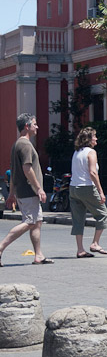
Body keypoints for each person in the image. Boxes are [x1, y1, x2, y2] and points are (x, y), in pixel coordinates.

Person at [0, 114, 53, 266]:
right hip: (30, 191)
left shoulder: (17, 144)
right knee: (30, 222)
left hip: (24, 191)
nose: (37, 127)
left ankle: (39, 255)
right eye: (35, 124)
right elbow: (26, 168)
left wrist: (11, 194)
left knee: (37, 222)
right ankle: (1, 247)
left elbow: (13, 171)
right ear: (27, 126)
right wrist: (39, 189)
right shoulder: (25, 145)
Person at [70, 127, 107, 258]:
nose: (96, 139)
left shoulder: (76, 152)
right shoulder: (91, 152)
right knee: (103, 215)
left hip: (73, 188)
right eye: (94, 136)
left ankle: (80, 249)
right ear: (89, 139)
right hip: (87, 187)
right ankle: (95, 243)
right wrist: (100, 191)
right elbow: (93, 172)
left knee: (78, 219)